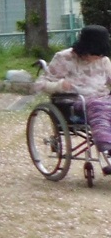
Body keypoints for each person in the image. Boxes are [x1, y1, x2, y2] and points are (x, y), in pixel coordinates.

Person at [36, 24, 111, 166]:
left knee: (103, 105)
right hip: (73, 103)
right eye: (95, 54)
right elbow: (40, 84)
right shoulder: (64, 58)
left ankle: (107, 148)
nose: (98, 57)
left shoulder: (104, 60)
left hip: (102, 101)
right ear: (86, 48)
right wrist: (59, 85)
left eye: (101, 54)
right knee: (98, 105)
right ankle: (106, 148)